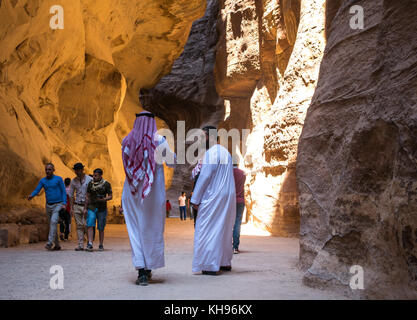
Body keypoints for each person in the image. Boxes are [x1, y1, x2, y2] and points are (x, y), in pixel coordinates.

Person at [121, 110, 176, 286]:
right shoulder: (159, 141)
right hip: (152, 193)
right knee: (151, 229)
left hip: (131, 192)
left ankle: (142, 271)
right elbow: (173, 162)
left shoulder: (126, 141)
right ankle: (148, 267)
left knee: (135, 230)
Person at [190, 126, 236, 275]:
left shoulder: (211, 153)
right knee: (224, 228)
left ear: (209, 137)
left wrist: (195, 200)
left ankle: (210, 265)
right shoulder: (226, 152)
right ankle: (224, 262)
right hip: (227, 195)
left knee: (208, 228)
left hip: (214, 195)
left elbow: (204, 177)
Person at [28, 163, 67, 251]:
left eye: (49, 169)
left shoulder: (58, 179)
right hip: (48, 205)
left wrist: (64, 203)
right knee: (52, 225)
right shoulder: (43, 181)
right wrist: (32, 195)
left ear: (53, 170)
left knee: (53, 222)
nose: (47, 171)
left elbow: (63, 192)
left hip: (58, 204)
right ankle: (57, 245)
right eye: (46, 169)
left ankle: (49, 243)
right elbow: (37, 189)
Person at [84, 168, 112, 252]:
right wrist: (85, 208)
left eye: (96, 176)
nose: (94, 177)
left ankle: (100, 244)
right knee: (90, 224)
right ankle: (90, 243)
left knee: (101, 227)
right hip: (92, 207)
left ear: (100, 176)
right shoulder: (90, 184)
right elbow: (87, 196)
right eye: (94, 175)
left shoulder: (106, 184)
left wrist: (104, 199)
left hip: (102, 208)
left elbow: (110, 196)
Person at [69, 163, 92, 251]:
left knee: (86, 224)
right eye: (76, 170)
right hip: (77, 205)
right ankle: (80, 245)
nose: (77, 172)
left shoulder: (90, 179)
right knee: (79, 225)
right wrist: (71, 208)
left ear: (82, 170)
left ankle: (89, 243)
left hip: (87, 206)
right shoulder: (73, 181)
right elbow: (71, 195)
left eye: (79, 170)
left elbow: (91, 194)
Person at [232, 161, 246, 254]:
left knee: (228, 224)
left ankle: (227, 245)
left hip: (230, 201)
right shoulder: (243, 173)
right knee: (237, 223)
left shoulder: (228, 173)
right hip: (240, 200)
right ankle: (235, 247)